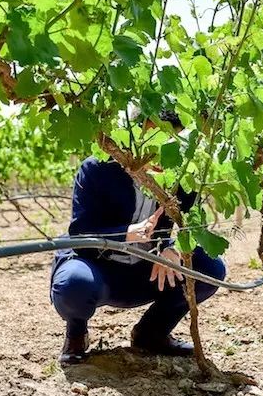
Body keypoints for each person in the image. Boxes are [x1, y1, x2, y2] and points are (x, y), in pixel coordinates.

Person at [50, 111, 227, 366]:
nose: (161, 148)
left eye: (170, 139)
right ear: (134, 134)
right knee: (74, 285)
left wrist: (174, 249)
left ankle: (151, 333)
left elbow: (191, 223)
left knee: (209, 268)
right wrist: (126, 233)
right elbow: (80, 233)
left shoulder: (180, 177)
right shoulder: (97, 168)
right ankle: (76, 334)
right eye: (153, 137)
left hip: (151, 271)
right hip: (99, 269)